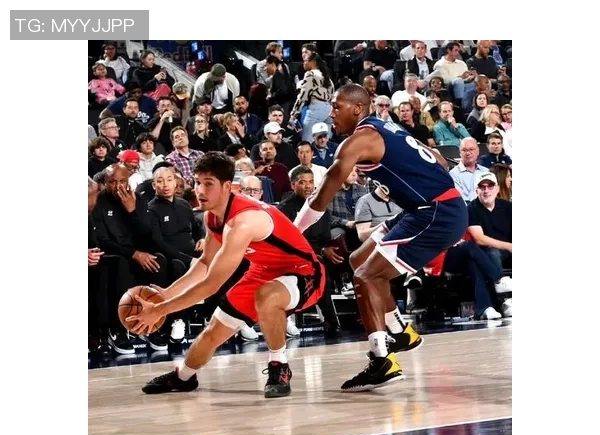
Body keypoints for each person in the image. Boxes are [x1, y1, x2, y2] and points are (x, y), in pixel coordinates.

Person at [294, 84, 468, 391]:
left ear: (357, 109)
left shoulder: (358, 140)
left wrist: (294, 233)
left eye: (336, 107)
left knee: (365, 276)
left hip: (435, 212)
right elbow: (440, 160)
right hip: (425, 208)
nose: (331, 114)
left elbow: (323, 194)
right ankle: (400, 332)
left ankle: (382, 361)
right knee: (358, 258)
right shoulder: (388, 127)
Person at [127, 152, 326, 398]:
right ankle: (184, 376)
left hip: (304, 272)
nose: (200, 190)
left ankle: (279, 364)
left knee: (267, 295)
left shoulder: (244, 221)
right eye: (197, 182)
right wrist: (167, 293)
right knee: (213, 331)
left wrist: (160, 309)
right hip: (262, 272)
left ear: (227, 186)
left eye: (208, 184)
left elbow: (212, 283)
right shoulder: (213, 216)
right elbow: (205, 263)